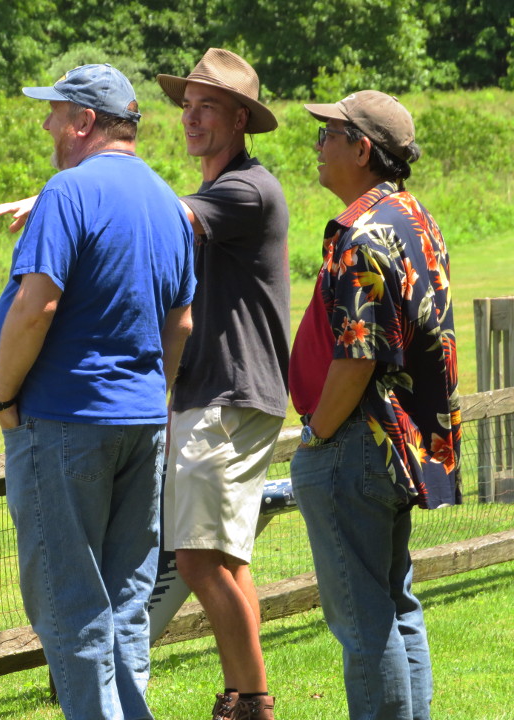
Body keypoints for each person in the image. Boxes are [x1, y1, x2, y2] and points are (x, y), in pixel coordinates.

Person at [0, 63, 194, 720]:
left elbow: (34, 309)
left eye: (54, 112)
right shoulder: (168, 201)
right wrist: (153, 398)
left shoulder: (67, 193)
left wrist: (2, 397)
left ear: (84, 122)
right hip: (141, 422)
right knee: (127, 604)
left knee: (70, 603)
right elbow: (181, 321)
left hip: (67, 420)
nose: (47, 124)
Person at [289, 91, 461, 720]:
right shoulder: (415, 217)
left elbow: (359, 355)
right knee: (397, 604)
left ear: (362, 148)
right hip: (408, 442)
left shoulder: (357, 232)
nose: (318, 144)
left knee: (365, 625)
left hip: (359, 442)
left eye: (329, 133)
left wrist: (317, 434)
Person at [154, 48, 289, 720]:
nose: (191, 117)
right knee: (229, 564)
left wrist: (72, 198)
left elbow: (160, 218)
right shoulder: (224, 191)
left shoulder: (246, 189)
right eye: (186, 104)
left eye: (207, 106)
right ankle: (240, 693)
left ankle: (254, 701)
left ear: (240, 119)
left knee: (197, 561)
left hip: (228, 396)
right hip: (224, 393)